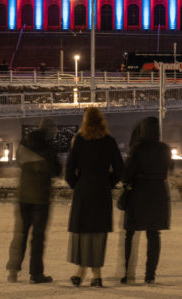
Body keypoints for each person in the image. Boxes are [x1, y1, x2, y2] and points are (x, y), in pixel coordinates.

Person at [65, 107, 124, 288]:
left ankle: (80, 272)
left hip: (83, 190)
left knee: (82, 232)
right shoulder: (109, 141)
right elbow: (120, 169)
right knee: (98, 233)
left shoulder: (79, 141)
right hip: (101, 190)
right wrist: (109, 182)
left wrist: (77, 183)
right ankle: (96, 274)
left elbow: (68, 171)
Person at [6, 118, 61, 284]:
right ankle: (36, 274)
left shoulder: (24, 143)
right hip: (41, 198)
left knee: (20, 234)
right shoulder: (48, 148)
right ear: (50, 130)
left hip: (23, 195)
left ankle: (13, 270)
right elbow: (57, 170)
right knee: (38, 237)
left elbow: (19, 162)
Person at [121, 117, 171, 285]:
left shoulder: (138, 149)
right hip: (158, 194)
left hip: (138, 194)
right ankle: (150, 274)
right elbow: (168, 169)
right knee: (154, 234)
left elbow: (126, 174)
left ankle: (127, 272)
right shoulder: (164, 149)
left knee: (130, 233)